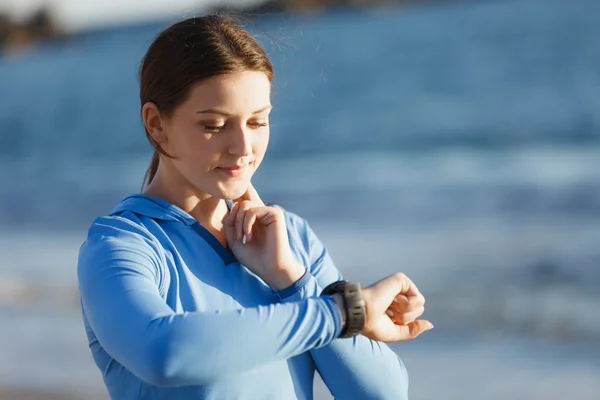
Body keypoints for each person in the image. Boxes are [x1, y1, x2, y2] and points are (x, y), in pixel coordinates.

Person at [77, 14, 434, 400]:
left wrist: (292, 281)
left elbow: (381, 393)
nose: (243, 147)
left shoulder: (289, 237)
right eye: (214, 125)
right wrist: (341, 312)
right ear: (156, 124)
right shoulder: (122, 246)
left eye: (257, 122)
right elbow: (164, 354)